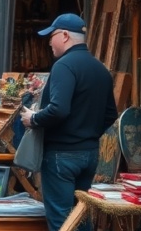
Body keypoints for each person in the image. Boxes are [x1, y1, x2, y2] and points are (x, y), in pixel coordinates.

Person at [20, 13, 117, 231]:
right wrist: (88, 133)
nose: (49, 42)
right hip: (89, 153)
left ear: (64, 35)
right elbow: (111, 114)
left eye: (51, 36)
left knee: (62, 221)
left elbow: (59, 109)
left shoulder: (63, 66)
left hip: (61, 154)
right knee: (80, 217)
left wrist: (33, 119)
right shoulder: (100, 69)